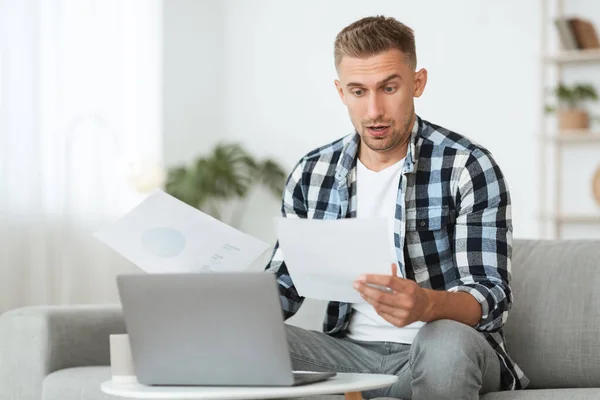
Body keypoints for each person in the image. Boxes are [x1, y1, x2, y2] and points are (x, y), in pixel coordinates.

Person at [265, 15, 529, 399]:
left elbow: (491, 297)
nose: (374, 110)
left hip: (440, 349)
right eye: (358, 92)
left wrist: (426, 304)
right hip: (347, 355)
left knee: (445, 344)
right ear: (341, 92)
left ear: (417, 83)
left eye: (388, 88)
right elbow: (285, 285)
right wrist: (225, 313)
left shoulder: (467, 165)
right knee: (246, 342)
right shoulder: (312, 172)